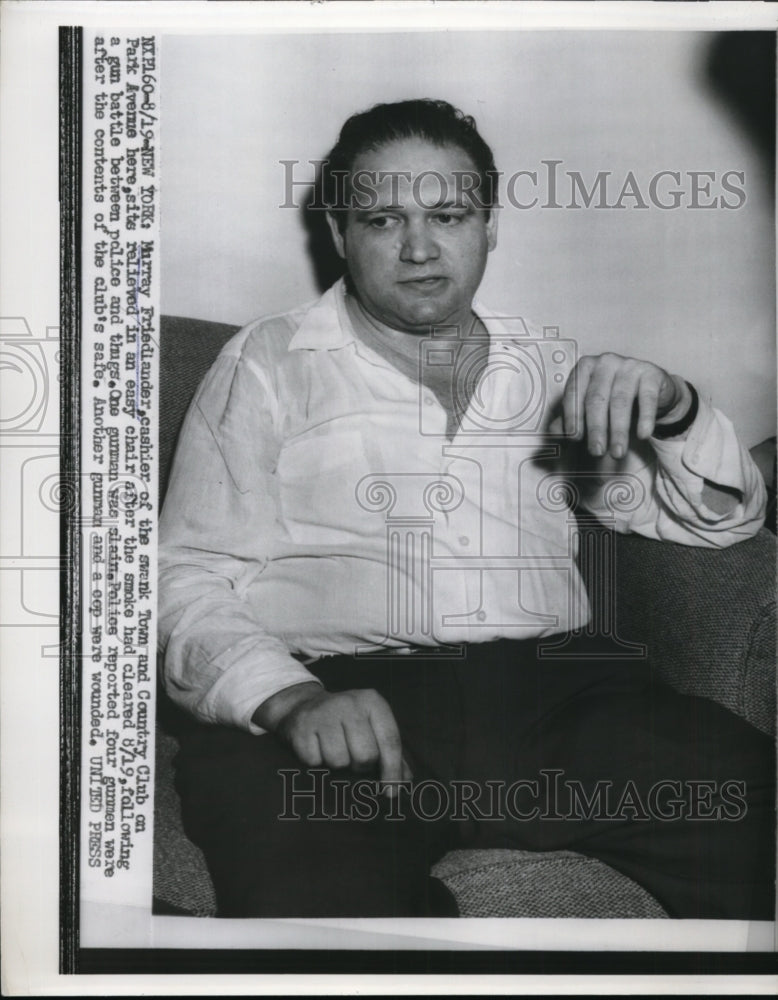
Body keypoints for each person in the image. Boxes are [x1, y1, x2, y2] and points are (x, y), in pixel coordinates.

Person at [159, 99, 774, 919]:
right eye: (383, 218)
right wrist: (290, 698)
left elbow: (719, 520)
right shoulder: (269, 360)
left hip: (552, 697)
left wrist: (674, 408)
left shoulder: (551, 364)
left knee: (746, 797)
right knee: (323, 901)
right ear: (341, 233)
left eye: (448, 214)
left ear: (488, 224)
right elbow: (182, 574)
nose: (419, 248)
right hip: (343, 701)